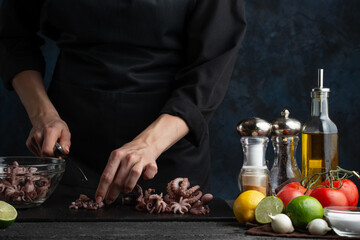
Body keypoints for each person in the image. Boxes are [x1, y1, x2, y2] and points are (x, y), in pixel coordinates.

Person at [0, 0, 246, 205]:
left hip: (167, 153)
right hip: (69, 151)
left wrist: (149, 144)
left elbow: (213, 65)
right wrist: (43, 115)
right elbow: (13, 36)